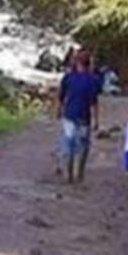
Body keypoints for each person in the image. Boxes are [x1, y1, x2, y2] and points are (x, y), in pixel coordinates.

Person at [55, 51, 102, 183]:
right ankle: (80, 173)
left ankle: (69, 175)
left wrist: (58, 111)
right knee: (84, 146)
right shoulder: (93, 80)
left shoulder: (68, 78)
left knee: (69, 144)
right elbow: (94, 102)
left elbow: (61, 97)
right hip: (84, 117)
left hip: (69, 115)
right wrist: (96, 119)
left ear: (76, 63)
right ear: (88, 63)